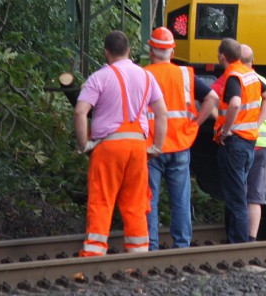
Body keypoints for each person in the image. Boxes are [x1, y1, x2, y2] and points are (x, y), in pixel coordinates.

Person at [73, 30, 167, 257]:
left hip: (108, 146)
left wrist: (84, 144)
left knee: (102, 201)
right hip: (137, 147)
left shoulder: (98, 78)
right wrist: (156, 147)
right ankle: (138, 256)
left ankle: (94, 255)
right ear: (129, 51)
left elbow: (80, 112)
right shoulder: (147, 76)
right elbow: (162, 113)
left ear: (106, 52)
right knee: (136, 203)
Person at [197, 38, 266, 244]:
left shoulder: (233, 76)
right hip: (249, 142)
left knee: (236, 198)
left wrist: (225, 130)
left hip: (235, 143)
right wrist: (256, 124)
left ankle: (240, 245)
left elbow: (235, 103)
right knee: (239, 194)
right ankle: (238, 242)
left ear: (222, 56)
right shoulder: (252, 75)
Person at [143, 26, 211, 250]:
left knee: (149, 199)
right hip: (180, 143)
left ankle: (150, 246)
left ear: (151, 51)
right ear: (172, 53)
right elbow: (212, 98)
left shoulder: (143, 75)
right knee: (181, 200)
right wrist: (197, 123)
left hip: (152, 147)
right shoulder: (185, 74)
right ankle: (181, 246)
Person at [240, 44, 266, 242]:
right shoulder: (263, 82)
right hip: (262, 145)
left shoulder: (234, 79)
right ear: (253, 61)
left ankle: (239, 237)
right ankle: (251, 239)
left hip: (242, 143)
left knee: (240, 194)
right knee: (255, 197)